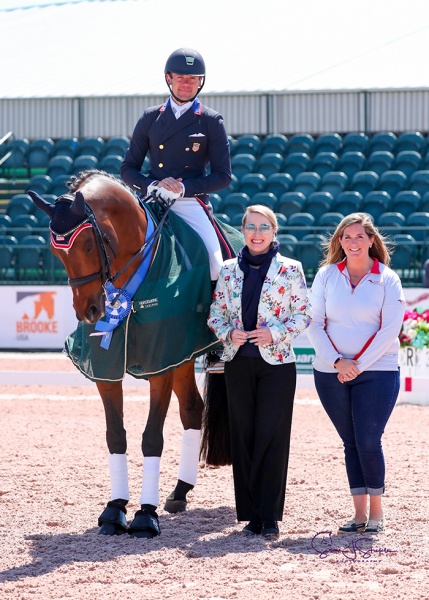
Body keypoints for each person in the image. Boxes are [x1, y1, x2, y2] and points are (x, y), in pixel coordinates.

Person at [207, 205, 311, 539]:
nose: (256, 232)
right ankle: (250, 514)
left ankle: (270, 516)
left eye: (263, 227)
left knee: (273, 436)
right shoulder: (227, 270)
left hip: (278, 364)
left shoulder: (291, 269)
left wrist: (275, 332)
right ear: (243, 230)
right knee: (244, 436)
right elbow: (215, 314)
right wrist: (227, 333)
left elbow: (304, 315)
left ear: (273, 231)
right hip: (238, 361)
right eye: (250, 226)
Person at [307, 212, 405, 535]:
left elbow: (389, 330)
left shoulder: (388, 279)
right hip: (330, 372)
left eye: (359, 237)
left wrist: (356, 365)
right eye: (346, 237)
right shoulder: (325, 276)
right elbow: (314, 324)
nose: (353, 242)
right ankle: (359, 515)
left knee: (367, 438)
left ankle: (377, 513)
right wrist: (338, 362)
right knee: (350, 441)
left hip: (377, 371)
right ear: (339, 242)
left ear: (372, 241)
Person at [120, 47, 232, 282]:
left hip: (190, 201)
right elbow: (128, 169)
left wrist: (183, 188)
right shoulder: (150, 117)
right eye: (180, 77)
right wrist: (152, 185)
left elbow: (223, 176)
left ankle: (218, 316)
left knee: (217, 266)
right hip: (152, 198)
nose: (186, 83)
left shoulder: (211, 120)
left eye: (192, 79)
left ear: (200, 82)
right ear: (168, 78)